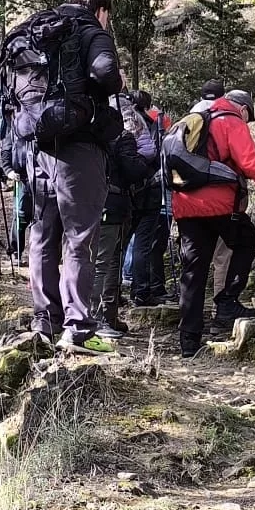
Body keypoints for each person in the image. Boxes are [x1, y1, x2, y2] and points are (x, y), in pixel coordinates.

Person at [8, 0, 124, 356]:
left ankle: (44, 321)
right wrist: (111, 85)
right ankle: (77, 327)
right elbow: (105, 71)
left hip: (36, 147)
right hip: (79, 149)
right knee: (80, 237)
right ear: (101, 9)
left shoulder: (33, 30)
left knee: (41, 236)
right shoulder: (91, 29)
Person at [172, 88, 255, 358]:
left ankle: (188, 341)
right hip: (219, 204)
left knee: (193, 272)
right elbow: (252, 165)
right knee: (246, 240)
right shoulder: (231, 120)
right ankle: (227, 302)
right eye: (248, 117)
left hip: (185, 204)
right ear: (244, 109)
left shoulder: (193, 120)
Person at [91, 93, 152, 337]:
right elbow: (133, 170)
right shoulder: (122, 139)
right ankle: (97, 319)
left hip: (95, 203)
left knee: (109, 260)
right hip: (113, 204)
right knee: (104, 262)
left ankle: (108, 315)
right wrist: (146, 164)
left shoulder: (92, 138)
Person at [125, 91, 172, 307]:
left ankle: (118, 291)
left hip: (128, 190)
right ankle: (142, 292)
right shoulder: (155, 123)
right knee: (143, 243)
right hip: (152, 188)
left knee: (125, 242)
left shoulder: (123, 120)